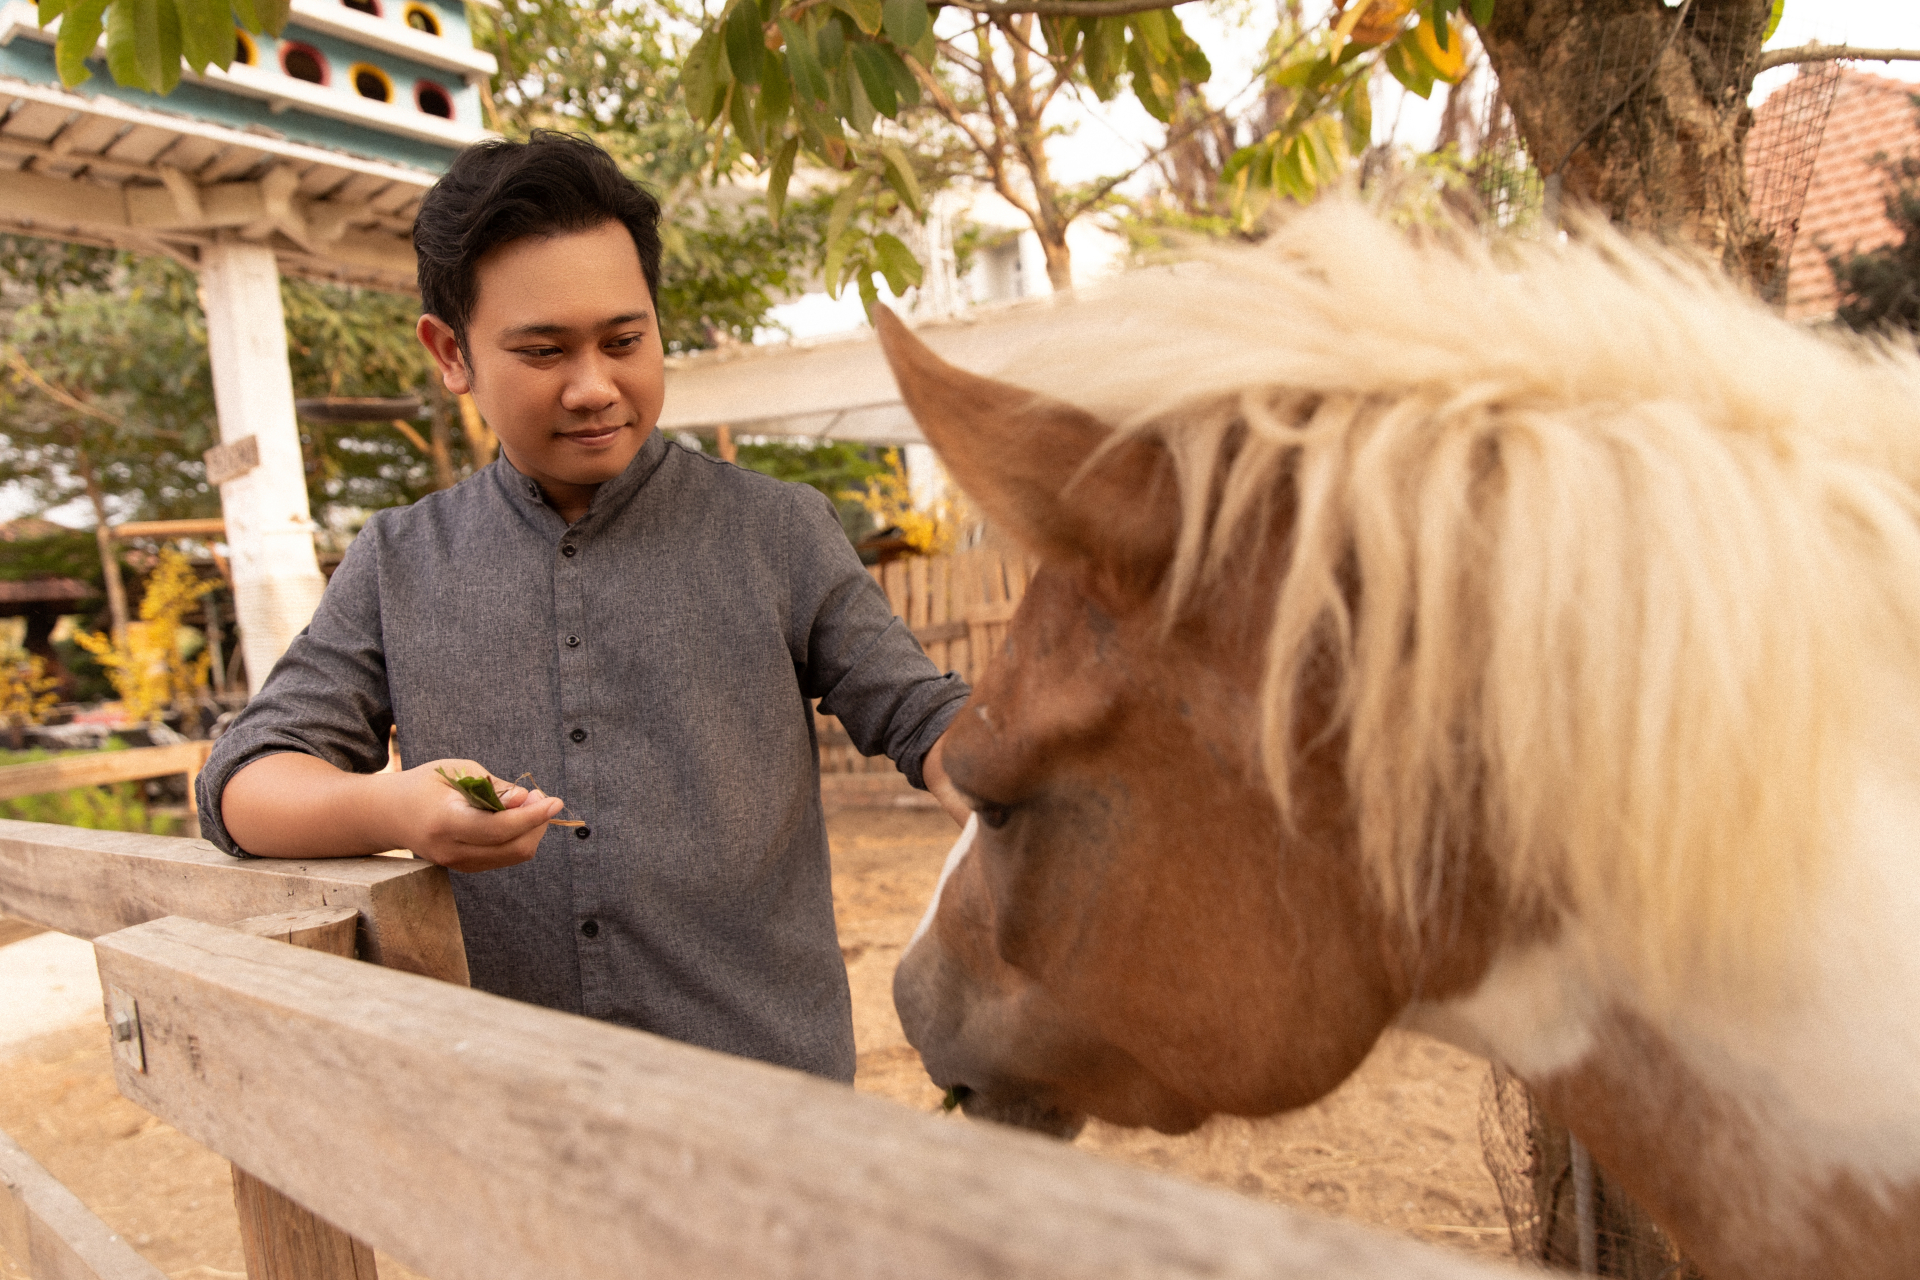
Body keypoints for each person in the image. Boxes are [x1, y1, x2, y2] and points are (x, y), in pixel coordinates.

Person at [197, 130, 972, 1083]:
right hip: (505, 1106)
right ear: (452, 353)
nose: (596, 386)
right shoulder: (398, 562)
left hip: (766, 1100)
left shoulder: (777, 528)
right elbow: (243, 785)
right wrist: (396, 805)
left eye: (625, 340)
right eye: (543, 350)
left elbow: (926, 719)